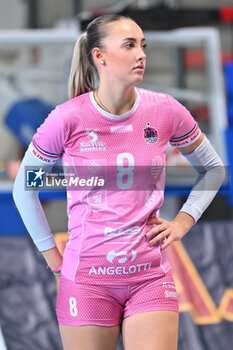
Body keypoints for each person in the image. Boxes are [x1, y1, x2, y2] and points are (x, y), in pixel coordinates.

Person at [13, 14, 225, 350]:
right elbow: (26, 187)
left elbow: (213, 169)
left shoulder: (165, 111)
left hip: (150, 278)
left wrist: (185, 220)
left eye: (143, 45)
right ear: (99, 56)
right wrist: (54, 259)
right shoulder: (68, 119)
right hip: (87, 282)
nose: (141, 53)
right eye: (129, 45)